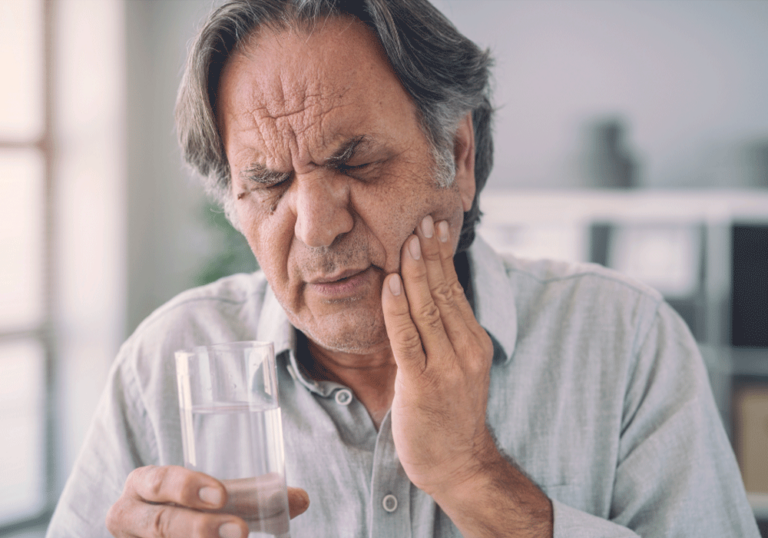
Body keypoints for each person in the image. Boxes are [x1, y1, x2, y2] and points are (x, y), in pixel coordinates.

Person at [48, 1, 760, 537]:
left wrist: (474, 476)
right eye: (267, 181)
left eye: (356, 162)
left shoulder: (626, 341)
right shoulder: (165, 361)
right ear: (232, 201)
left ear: (461, 156)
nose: (317, 226)